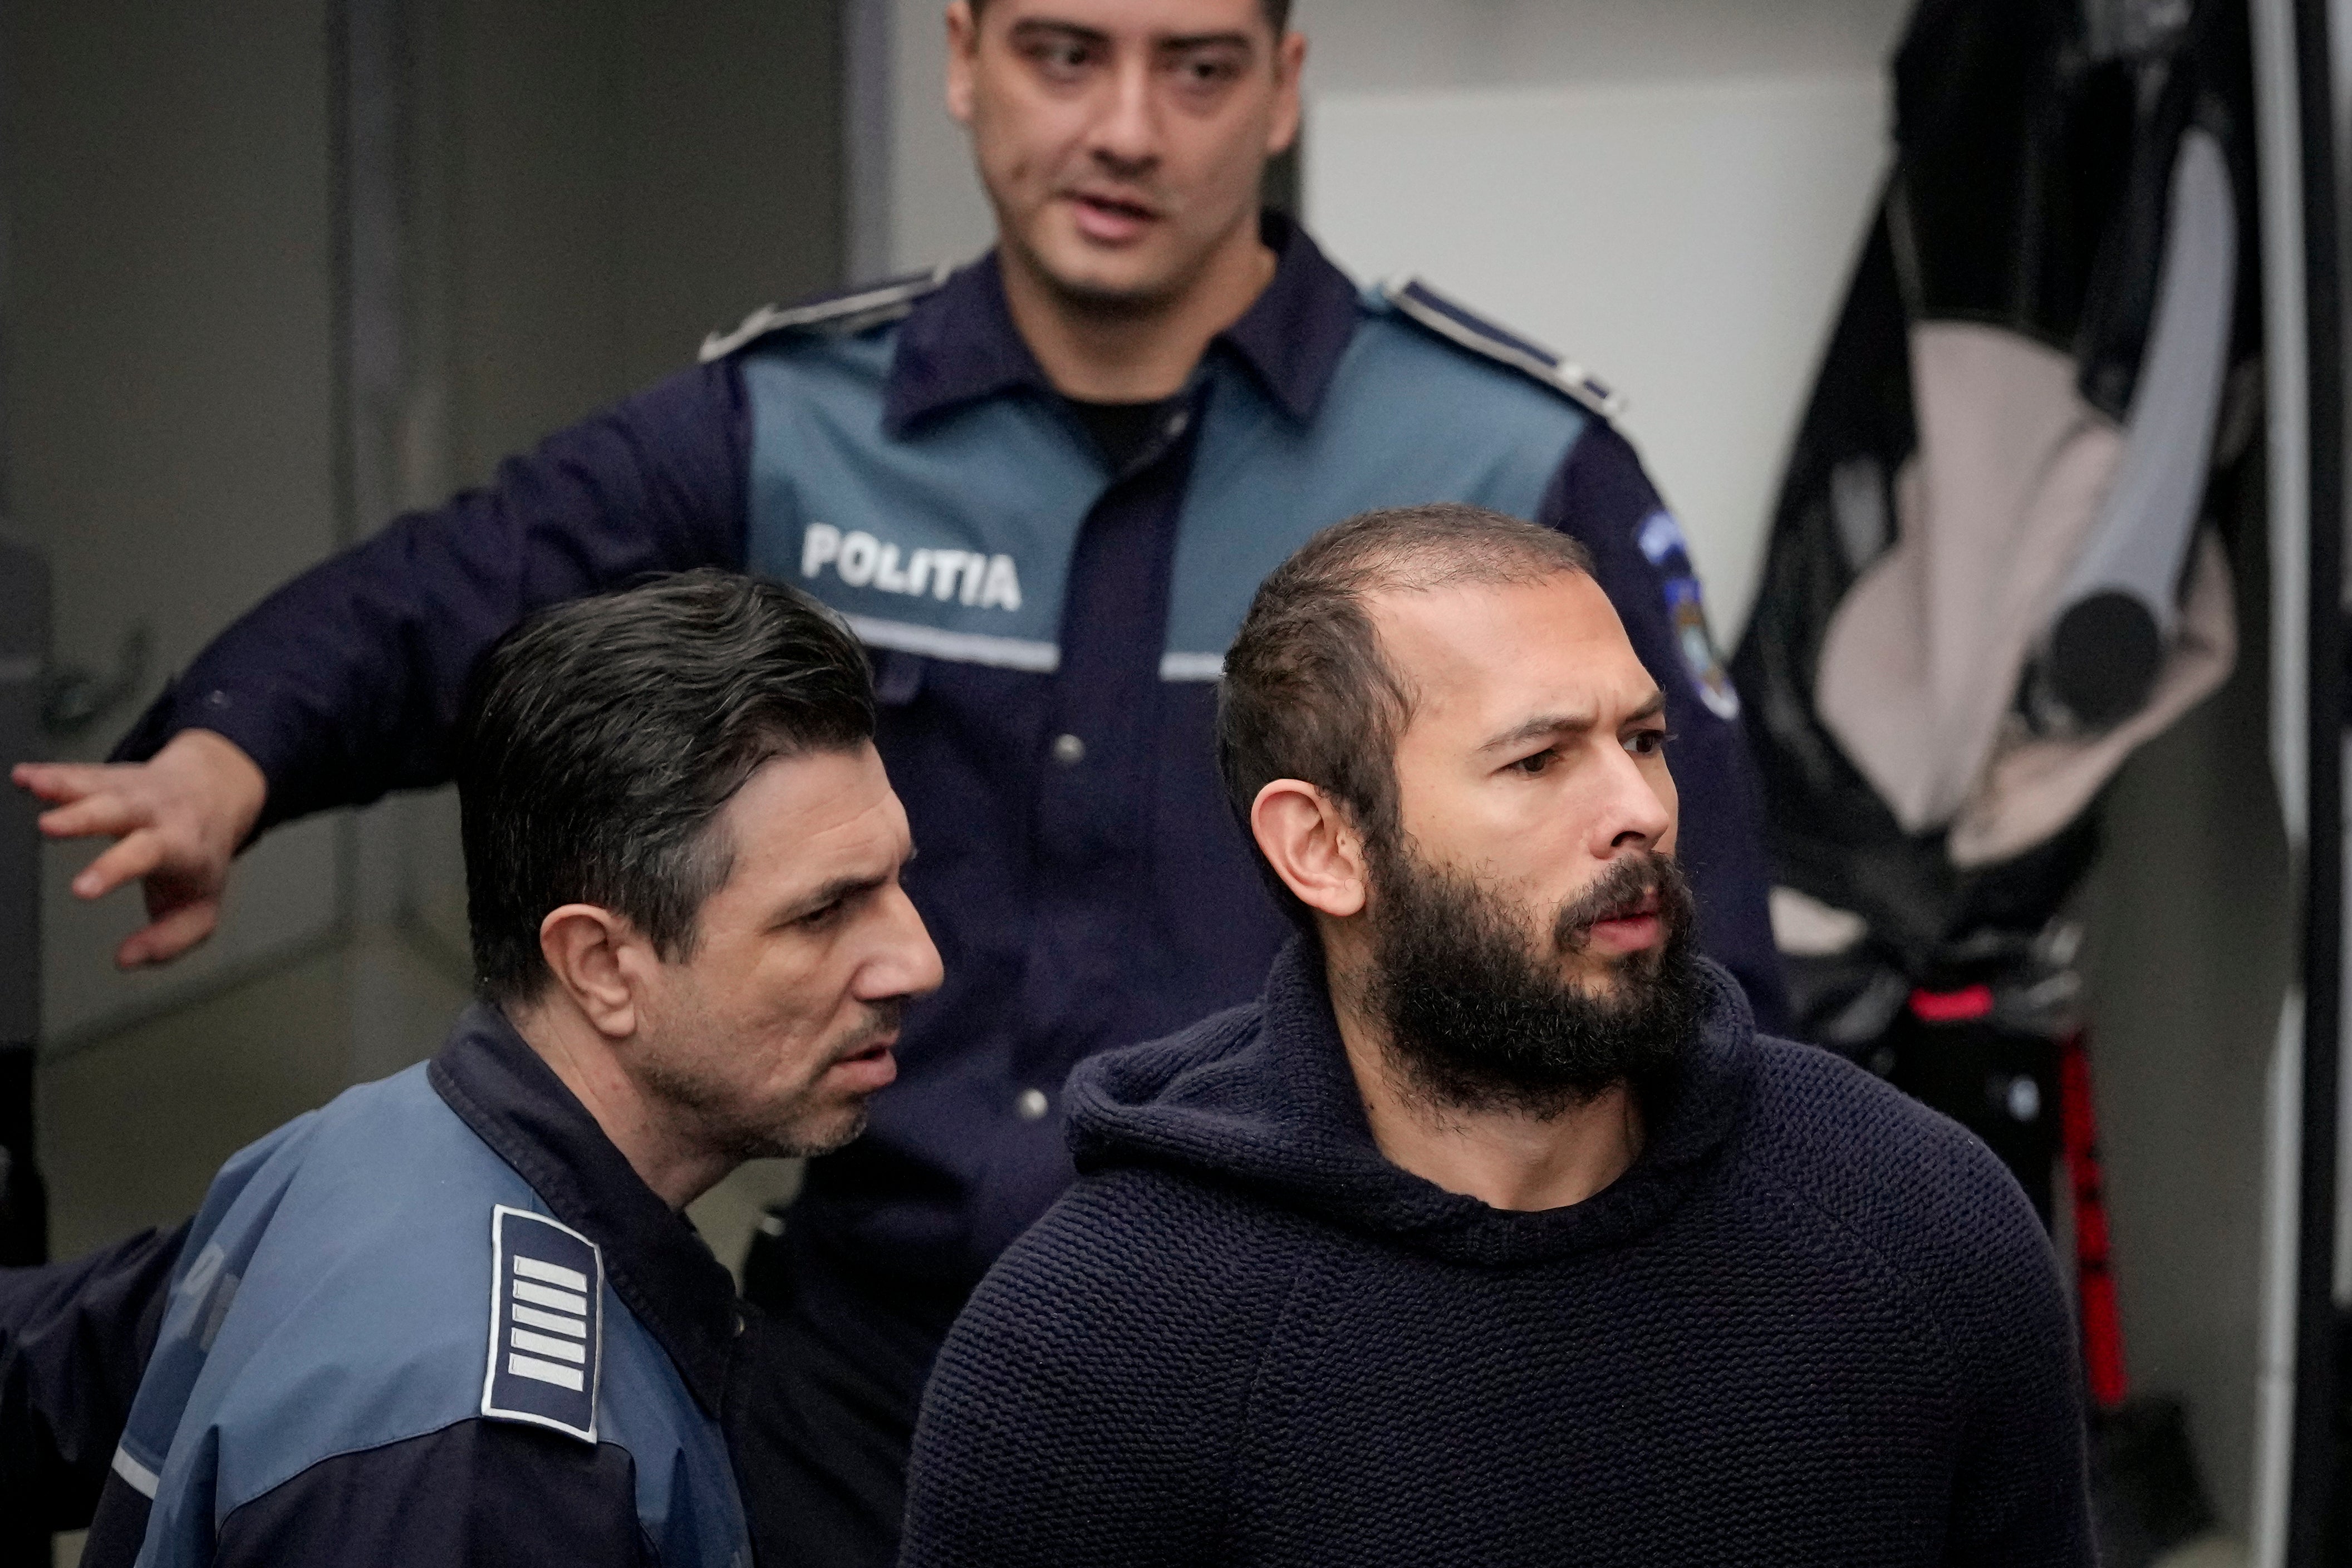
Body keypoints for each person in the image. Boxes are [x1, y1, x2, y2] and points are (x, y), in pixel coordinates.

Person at [11, 0, 1784, 1556]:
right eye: (1064, 52)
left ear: (1284, 89)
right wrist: (233, 748)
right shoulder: (800, 423)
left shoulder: (1500, 457)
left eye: (1199, 67)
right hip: (866, 1380)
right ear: (960, 57)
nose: (1123, 128)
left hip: (1306, 1356)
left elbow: (1688, 959)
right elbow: (473, 585)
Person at [900, 505, 2092, 1567]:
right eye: (1539, 758)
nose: (1637, 810)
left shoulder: (1918, 1221)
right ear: (1322, 846)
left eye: (1642, 739)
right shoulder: (1095, 1347)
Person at [70, 571, 942, 1565]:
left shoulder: (354, 1144)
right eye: (825, 912)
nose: (918, 960)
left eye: (898, 881)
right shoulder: (490, 1472)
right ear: (603, 965)